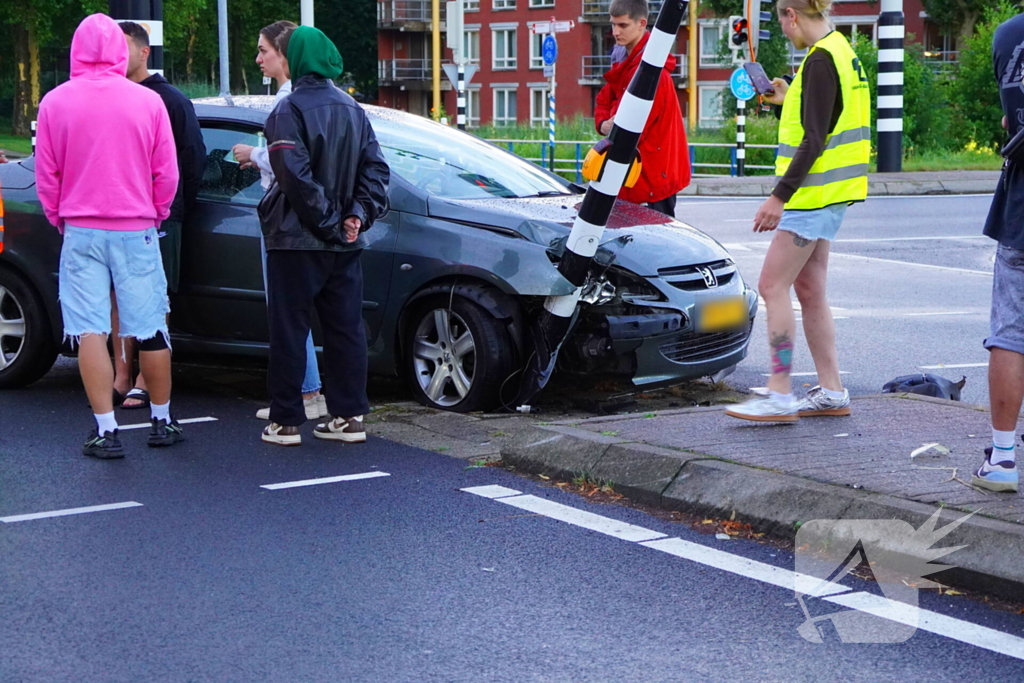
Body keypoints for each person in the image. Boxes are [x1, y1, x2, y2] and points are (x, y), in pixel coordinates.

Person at [35, 13, 182, 458]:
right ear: (121, 51)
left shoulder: (55, 102)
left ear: (76, 50)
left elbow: (47, 174)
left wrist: (59, 217)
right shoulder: (148, 101)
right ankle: (162, 420)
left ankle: (106, 429)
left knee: (89, 330)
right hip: (136, 227)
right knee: (150, 325)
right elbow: (166, 172)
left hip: (81, 228)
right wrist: (156, 213)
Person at [724, 0, 869, 423]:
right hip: (831, 192)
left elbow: (814, 138)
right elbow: (828, 113)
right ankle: (832, 391)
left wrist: (779, 196)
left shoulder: (820, 60)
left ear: (792, 14)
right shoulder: (840, 49)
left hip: (810, 196)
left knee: (772, 286)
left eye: (782, 22)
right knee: (810, 290)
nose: (785, 32)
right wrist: (788, 98)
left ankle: (779, 392)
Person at [258, 25, 389, 446]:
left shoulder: (287, 109)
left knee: (289, 328)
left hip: (295, 239)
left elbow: (293, 177)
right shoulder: (353, 108)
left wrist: (331, 221)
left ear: (295, 59)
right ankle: (349, 417)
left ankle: (285, 421)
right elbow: (376, 170)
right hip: (346, 242)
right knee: (346, 328)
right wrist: (356, 216)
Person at [230, 21, 328, 423]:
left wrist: (252, 155)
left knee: (287, 311)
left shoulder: (288, 102)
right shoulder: (320, 99)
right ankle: (311, 390)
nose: (258, 59)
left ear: (284, 55)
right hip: (306, 213)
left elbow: (288, 161)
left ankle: (305, 393)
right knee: (302, 311)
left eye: (263, 50)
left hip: (284, 214)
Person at [113, 20, 206, 410]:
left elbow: (192, 160)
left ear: (144, 51)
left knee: (152, 295)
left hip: (159, 214)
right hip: (116, 213)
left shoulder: (170, 101)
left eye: (123, 47)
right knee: (118, 295)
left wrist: (171, 208)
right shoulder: (108, 95)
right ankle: (120, 374)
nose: (115, 55)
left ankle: (144, 379)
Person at [971, 12, 1024, 493]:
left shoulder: (1009, 34)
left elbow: (1011, 118)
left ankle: (1003, 458)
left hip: (1021, 211)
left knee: (1011, 333)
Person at [593, 0, 690, 217]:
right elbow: (603, 100)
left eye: (623, 25)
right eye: (613, 25)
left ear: (641, 24)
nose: (615, 32)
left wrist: (610, 124)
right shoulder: (626, 63)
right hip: (637, 175)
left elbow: (632, 129)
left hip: (650, 179)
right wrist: (603, 124)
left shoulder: (652, 73)